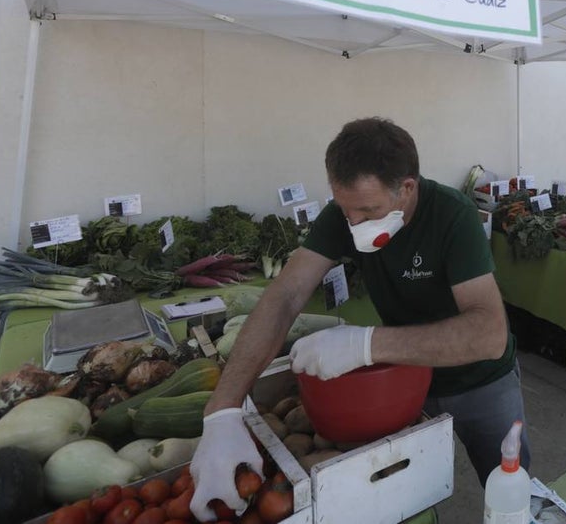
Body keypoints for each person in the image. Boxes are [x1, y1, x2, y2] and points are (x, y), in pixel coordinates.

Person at [188, 117, 529, 521]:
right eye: (346, 210)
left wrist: (364, 345)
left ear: (407, 188)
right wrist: (224, 408)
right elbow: (285, 295)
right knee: (403, 492)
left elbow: (488, 333)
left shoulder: (453, 217)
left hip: (480, 384)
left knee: (509, 489)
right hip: (404, 380)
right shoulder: (343, 215)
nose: (355, 224)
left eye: (368, 210)